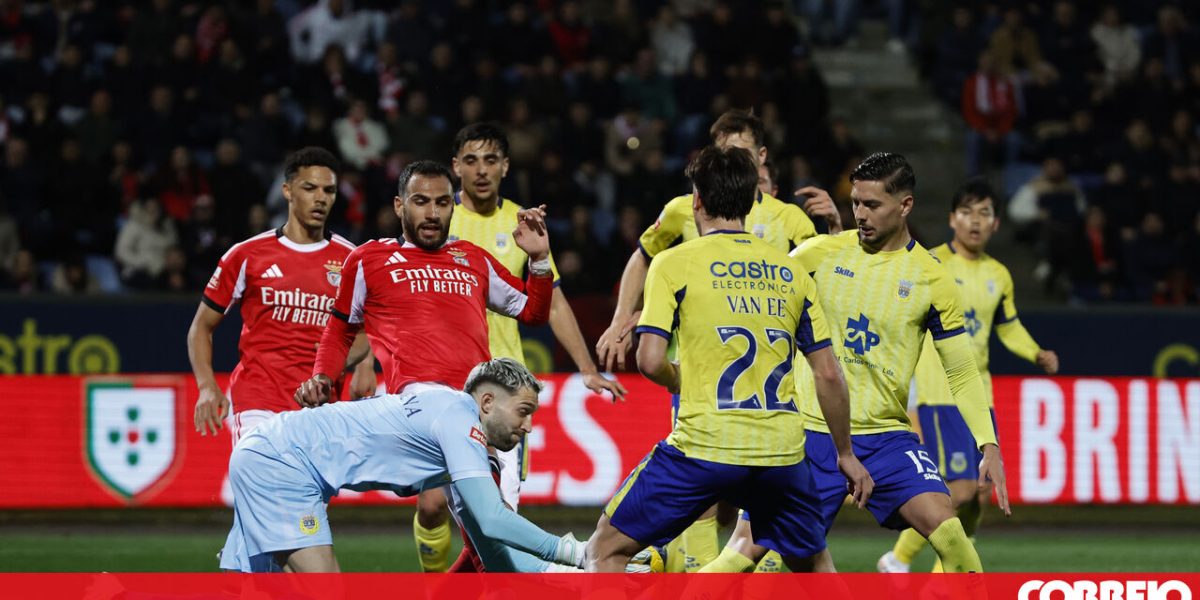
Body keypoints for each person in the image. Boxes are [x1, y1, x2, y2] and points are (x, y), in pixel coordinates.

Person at [705, 153, 1010, 574]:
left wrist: (988, 443)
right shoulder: (817, 255)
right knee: (745, 555)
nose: (860, 215)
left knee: (952, 535)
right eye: (856, 204)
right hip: (808, 434)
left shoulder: (932, 277)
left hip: (886, 439)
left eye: (872, 205)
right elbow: (760, 308)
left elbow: (960, 369)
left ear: (905, 206)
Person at [583, 145, 872, 573]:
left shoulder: (673, 263)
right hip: (781, 453)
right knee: (813, 564)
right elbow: (828, 373)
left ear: (696, 200)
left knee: (603, 550)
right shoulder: (791, 271)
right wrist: (845, 453)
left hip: (705, 448)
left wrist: (676, 379)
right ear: (749, 203)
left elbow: (648, 360)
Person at [295, 160, 555, 570]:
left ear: (452, 207)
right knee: (496, 534)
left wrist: (538, 259)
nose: (432, 213)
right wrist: (323, 377)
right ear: (400, 206)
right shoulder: (369, 260)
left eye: (440, 203)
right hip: (423, 415)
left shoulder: (473, 259)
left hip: (477, 413)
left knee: (491, 547)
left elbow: (532, 311)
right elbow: (340, 329)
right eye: (420, 202)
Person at [428, 122, 627, 572]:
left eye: (491, 160)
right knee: (437, 510)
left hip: (504, 394)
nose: (482, 170)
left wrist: (586, 367)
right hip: (446, 388)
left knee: (496, 524)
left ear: (506, 167)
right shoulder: (439, 222)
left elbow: (552, 299)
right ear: (455, 166)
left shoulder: (521, 223)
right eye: (472, 160)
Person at [220, 358, 586, 573]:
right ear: (487, 401)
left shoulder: (455, 429)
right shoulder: (460, 420)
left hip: (270, 452)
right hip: (282, 463)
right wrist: (577, 552)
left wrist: (578, 574)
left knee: (254, 588)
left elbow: (492, 553)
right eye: (523, 412)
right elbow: (492, 518)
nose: (528, 427)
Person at [879, 178, 1058, 573]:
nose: (975, 221)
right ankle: (905, 561)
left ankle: (906, 561)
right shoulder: (929, 263)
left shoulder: (1000, 275)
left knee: (979, 494)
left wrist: (1035, 352)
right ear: (951, 219)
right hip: (940, 393)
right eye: (967, 212)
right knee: (958, 490)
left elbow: (1008, 326)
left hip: (980, 396)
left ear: (996, 224)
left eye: (985, 213)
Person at [188, 146, 374, 446]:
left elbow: (366, 325)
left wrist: (360, 366)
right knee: (264, 479)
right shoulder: (247, 255)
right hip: (258, 401)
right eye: (309, 188)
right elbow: (201, 327)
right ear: (288, 191)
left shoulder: (353, 259)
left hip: (321, 408)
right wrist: (207, 386)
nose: (321, 198)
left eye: (329, 190)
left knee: (309, 495)